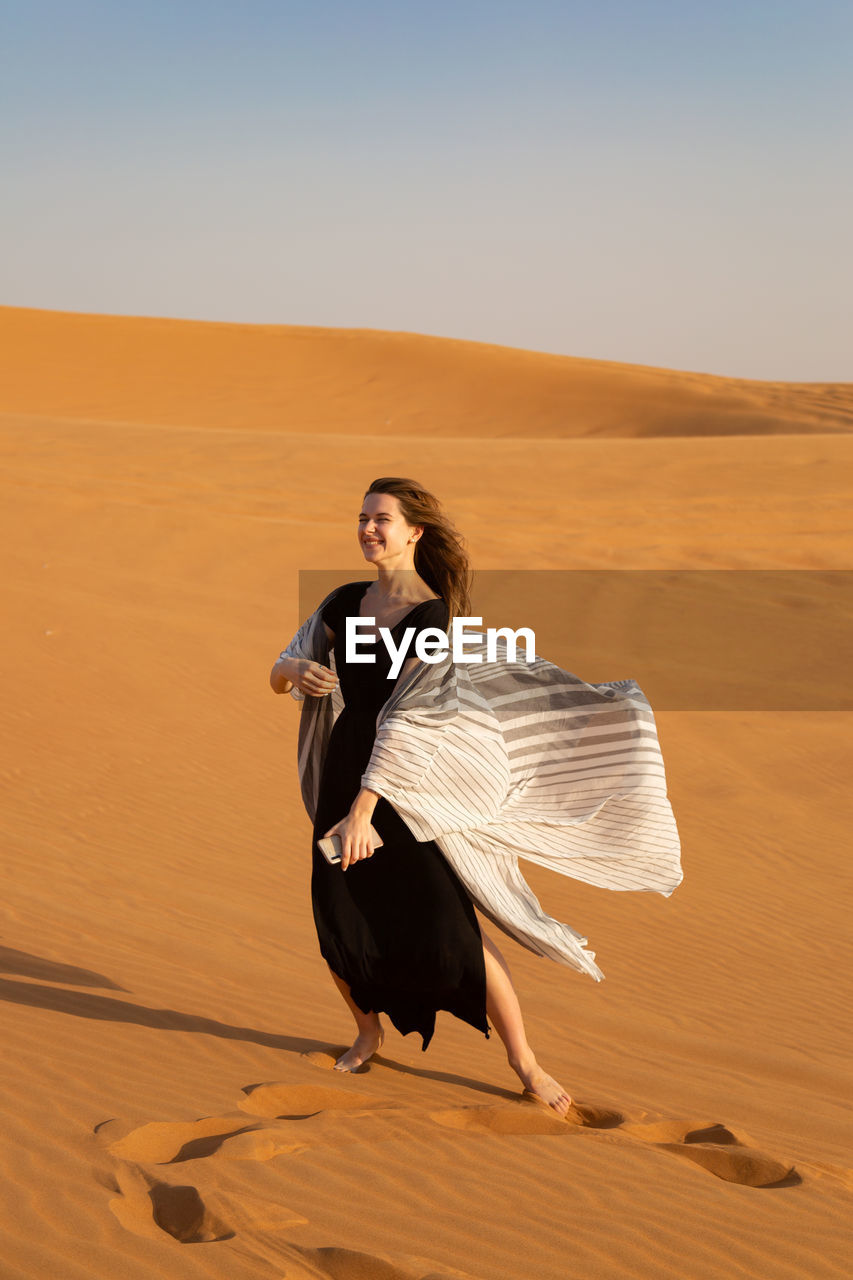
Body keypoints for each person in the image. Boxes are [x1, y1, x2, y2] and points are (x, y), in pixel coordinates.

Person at [270, 476, 575, 1116]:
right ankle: (367, 1031)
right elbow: (280, 669)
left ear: (415, 532)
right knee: (337, 912)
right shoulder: (344, 600)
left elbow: (409, 721)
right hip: (345, 770)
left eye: (382, 519)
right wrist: (297, 671)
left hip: (403, 788)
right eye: (361, 518)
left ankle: (526, 1062)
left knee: (449, 920)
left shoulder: (432, 617)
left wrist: (365, 811)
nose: (368, 529)